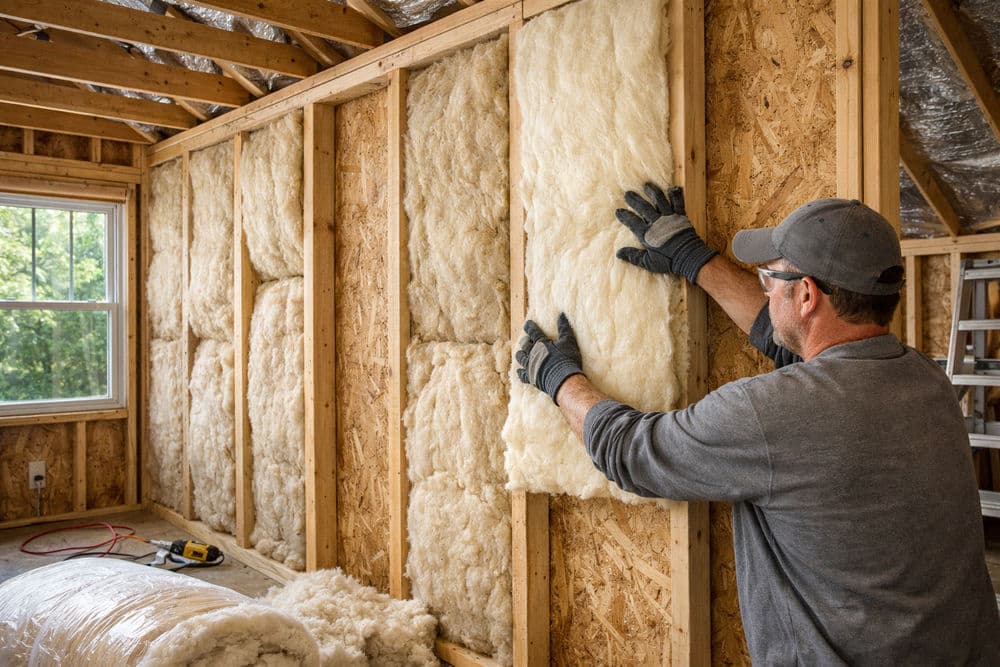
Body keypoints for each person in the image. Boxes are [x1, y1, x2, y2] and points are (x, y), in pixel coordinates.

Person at [515, 183, 1000, 665]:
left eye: (769, 279)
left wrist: (558, 378)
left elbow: (631, 452)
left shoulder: (772, 414)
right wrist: (694, 260)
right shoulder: (926, 381)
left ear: (807, 294)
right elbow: (790, 343)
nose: (765, 291)